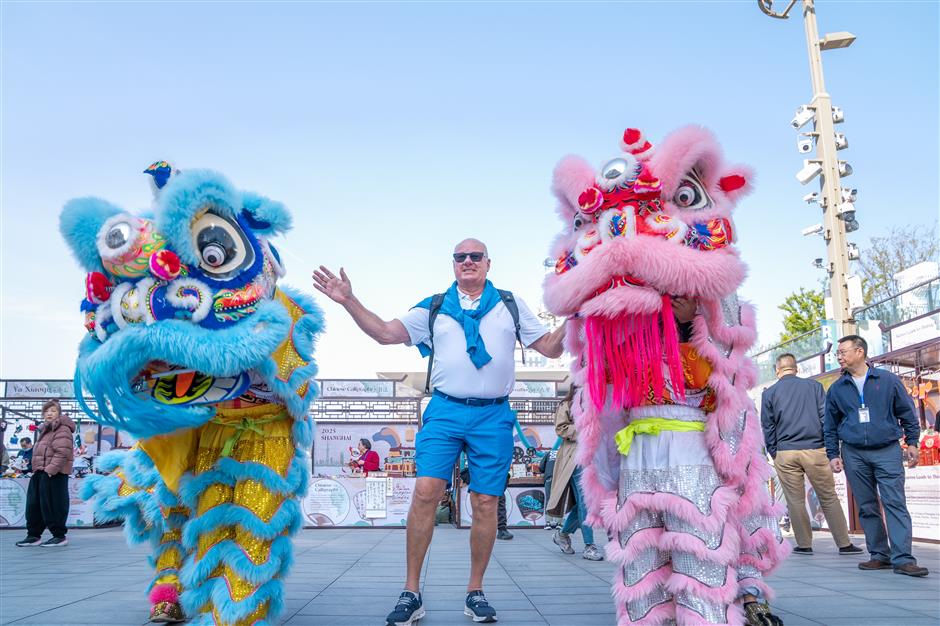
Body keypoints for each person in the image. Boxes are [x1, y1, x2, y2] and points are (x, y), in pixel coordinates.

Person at [313, 238, 565, 626]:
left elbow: (549, 347)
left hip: (493, 414)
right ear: (453, 265)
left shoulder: (509, 305)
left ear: (488, 263)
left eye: (475, 256)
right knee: (427, 491)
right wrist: (348, 300)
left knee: (484, 502)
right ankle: (411, 592)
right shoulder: (434, 307)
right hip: (445, 410)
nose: (467, 261)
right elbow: (384, 333)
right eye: (460, 257)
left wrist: (580, 312)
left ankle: (475, 592)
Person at [824, 335, 928, 577]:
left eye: (843, 351)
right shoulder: (837, 388)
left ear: (859, 352)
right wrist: (833, 454)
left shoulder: (888, 380)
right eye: (837, 352)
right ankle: (879, 555)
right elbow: (830, 424)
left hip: (887, 450)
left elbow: (907, 413)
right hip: (853, 453)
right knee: (867, 505)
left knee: (894, 501)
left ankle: (903, 558)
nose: (838, 356)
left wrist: (912, 442)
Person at [760, 353, 861, 556]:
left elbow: (767, 425)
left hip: (786, 452)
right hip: (815, 449)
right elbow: (826, 419)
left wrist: (774, 451)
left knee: (794, 500)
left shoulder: (769, 393)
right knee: (828, 496)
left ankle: (804, 544)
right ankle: (843, 543)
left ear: (777, 370)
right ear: (796, 368)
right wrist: (828, 447)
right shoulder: (814, 387)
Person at [546, 386, 603, 561]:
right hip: (574, 459)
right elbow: (561, 428)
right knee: (585, 502)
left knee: (588, 503)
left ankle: (563, 534)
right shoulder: (567, 404)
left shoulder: (598, 403)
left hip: (596, 459)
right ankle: (589, 545)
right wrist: (585, 430)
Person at [16, 400, 75, 547]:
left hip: (54, 473)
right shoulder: (45, 430)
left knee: (54, 504)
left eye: (53, 411)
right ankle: (33, 535)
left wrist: (51, 470)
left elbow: (62, 452)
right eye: (47, 411)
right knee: (34, 504)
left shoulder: (63, 429)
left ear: (59, 414)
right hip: (40, 472)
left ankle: (59, 536)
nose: (49, 413)